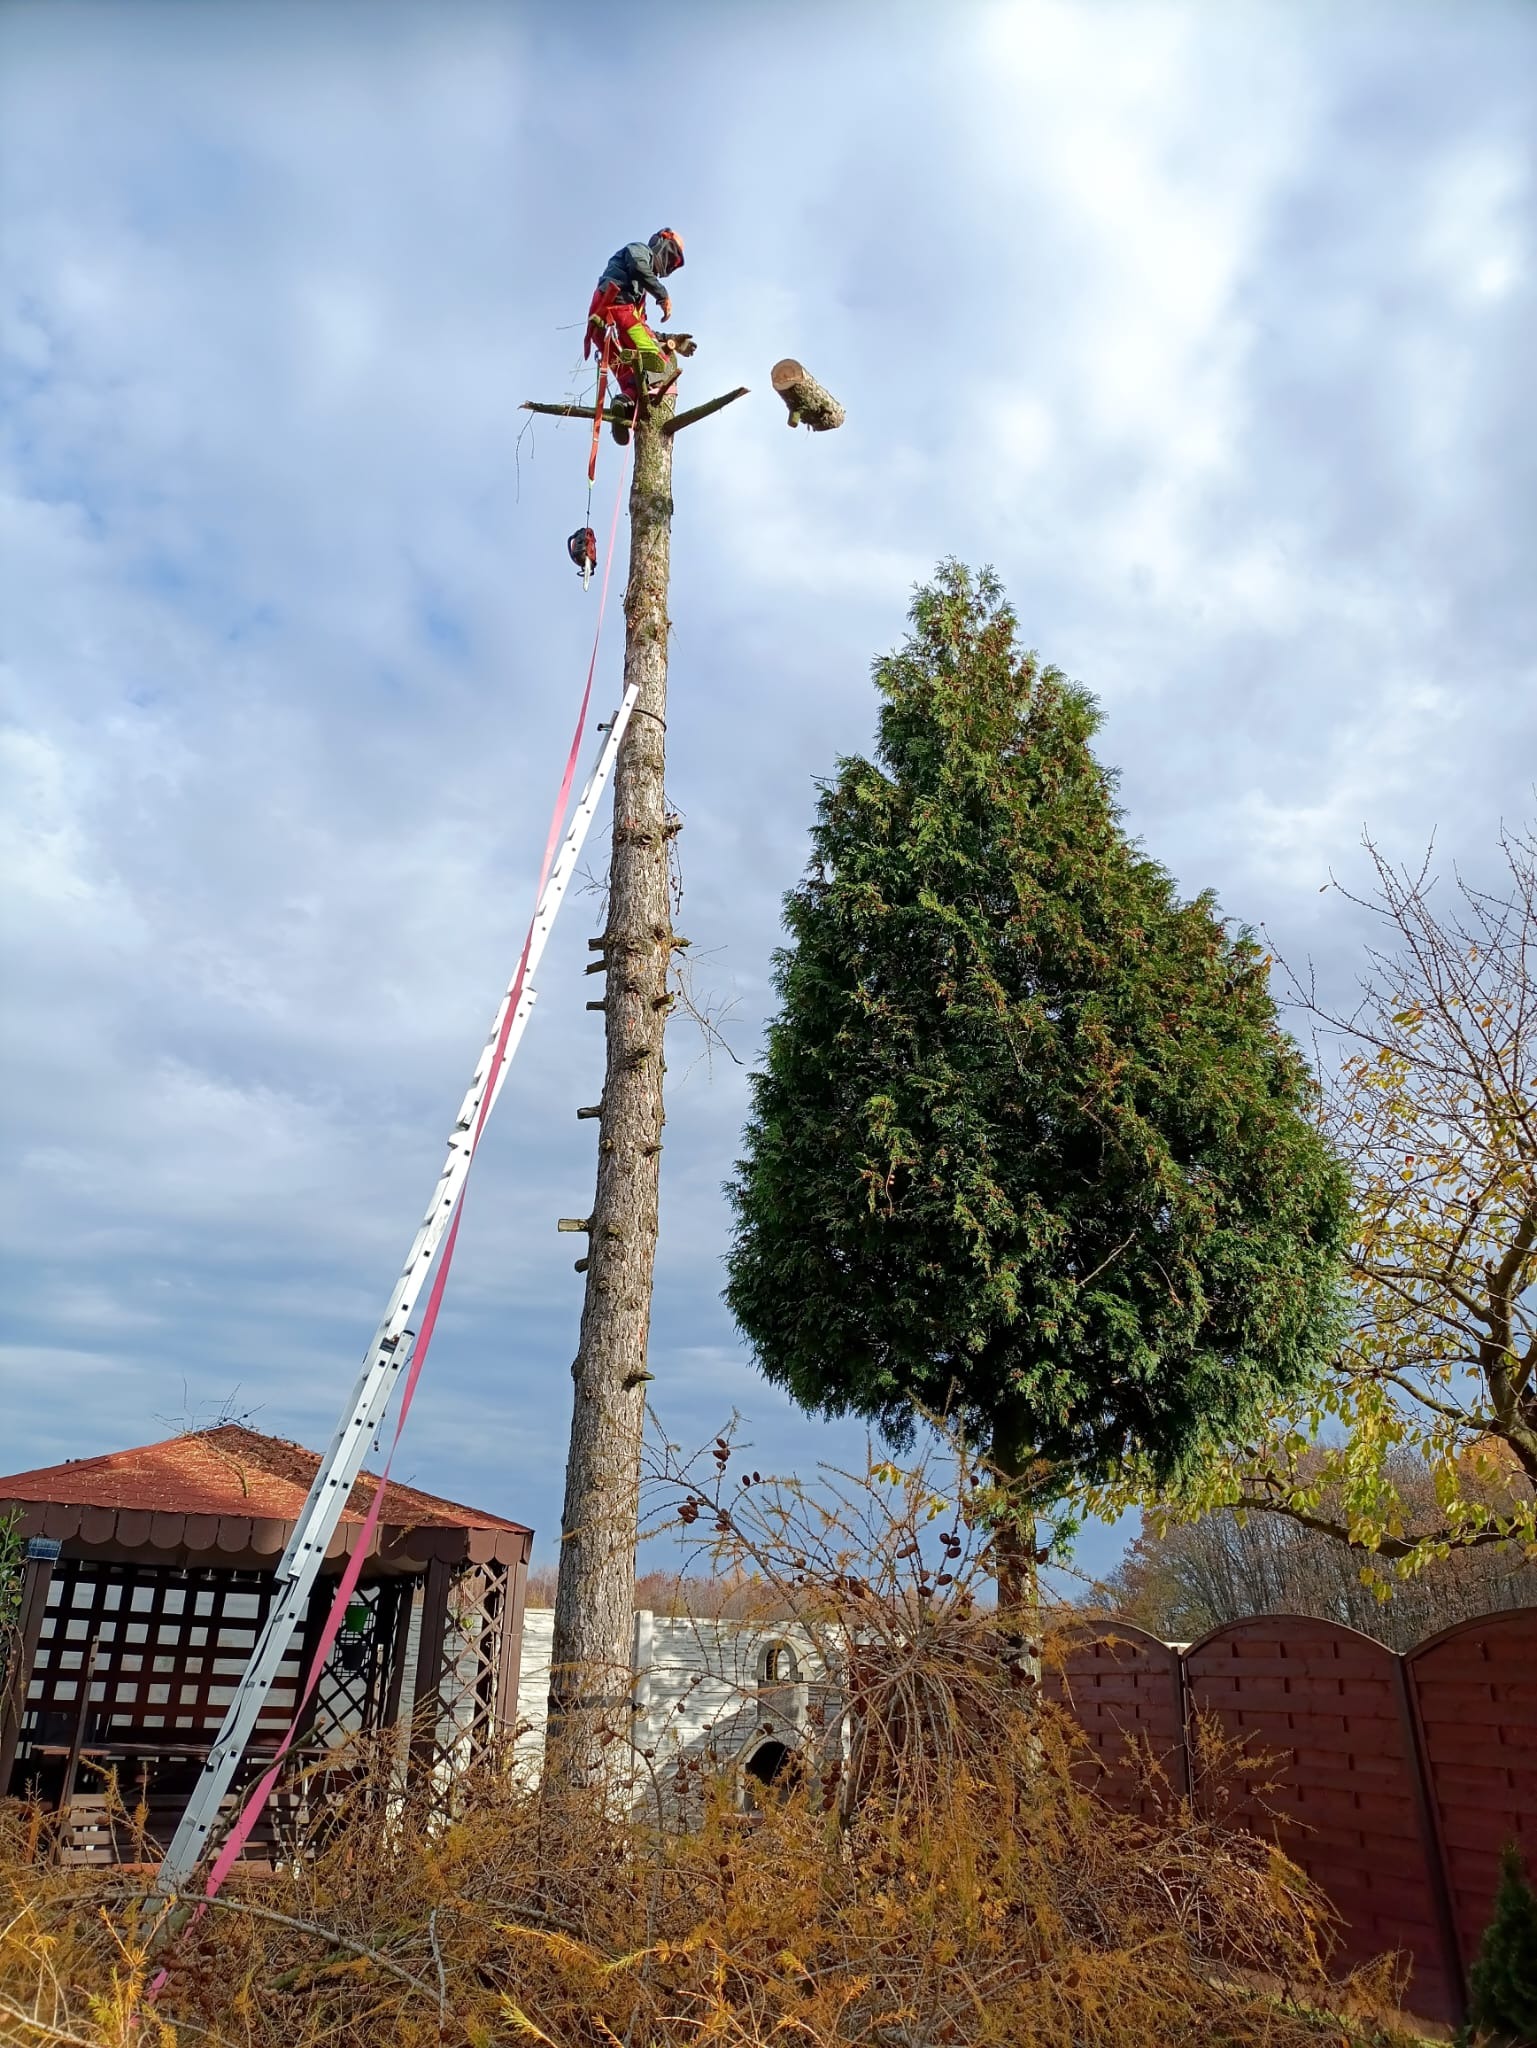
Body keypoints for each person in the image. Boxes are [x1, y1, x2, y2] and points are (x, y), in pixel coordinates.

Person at [585, 230, 684, 440]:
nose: (668, 267)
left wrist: (669, 337)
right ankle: (635, 398)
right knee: (660, 365)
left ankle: (623, 407)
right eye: (672, 258)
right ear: (662, 243)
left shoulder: (638, 294)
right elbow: (638, 266)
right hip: (618, 307)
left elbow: (641, 326)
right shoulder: (641, 251)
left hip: (601, 327)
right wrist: (663, 294)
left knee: (630, 376)